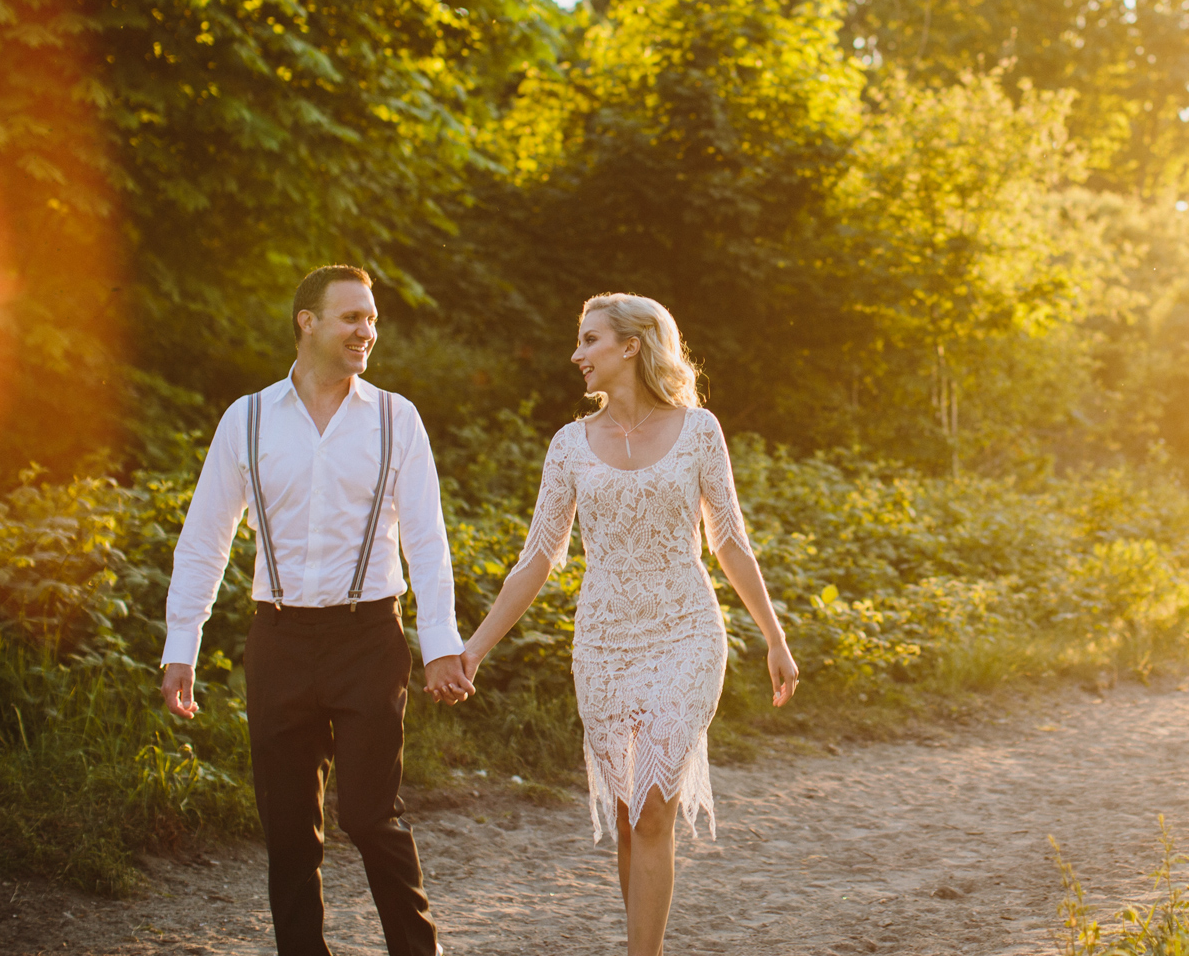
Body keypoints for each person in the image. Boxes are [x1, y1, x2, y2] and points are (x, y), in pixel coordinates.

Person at [463, 292, 799, 956]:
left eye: (589, 340)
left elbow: (729, 541)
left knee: (651, 808)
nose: (576, 354)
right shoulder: (568, 446)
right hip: (604, 643)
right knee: (628, 814)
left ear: (631, 346)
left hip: (686, 633)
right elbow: (538, 559)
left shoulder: (699, 429)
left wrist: (775, 637)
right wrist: (473, 649)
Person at [160, 265, 473, 956]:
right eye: (352, 318)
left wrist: (441, 642)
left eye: (372, 320)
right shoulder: (246, 419)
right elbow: (205, 538)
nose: (368, 331)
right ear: (307, 321)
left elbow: (428, 541)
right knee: (288, 831)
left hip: (369, 636)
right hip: (279, 638)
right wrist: (180, 644)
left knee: (369, 816)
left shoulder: (397, 418)